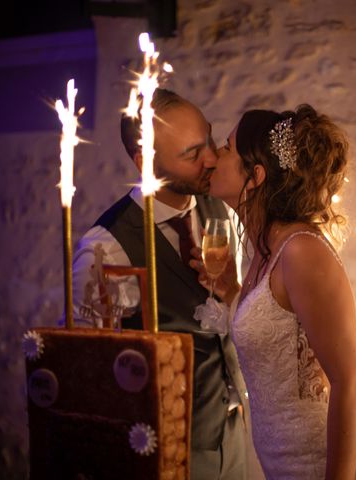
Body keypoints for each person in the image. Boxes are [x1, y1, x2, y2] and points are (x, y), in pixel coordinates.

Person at [203, 105, 356, 479]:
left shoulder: (301, 251)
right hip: (282, 466)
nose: (215, 157)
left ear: (255, 176)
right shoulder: (265, 250)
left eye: (227, 149)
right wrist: (232, 292)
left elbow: (351, 381)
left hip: (321, 463)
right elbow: (277, 337)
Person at [71, 88, 247, 480]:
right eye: (191, 154)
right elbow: (93, 378)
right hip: (164, 452)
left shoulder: (225, 210)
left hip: (235, 437)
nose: (212, 159)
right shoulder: (106, 249)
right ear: (145, 162)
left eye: (210, 140)